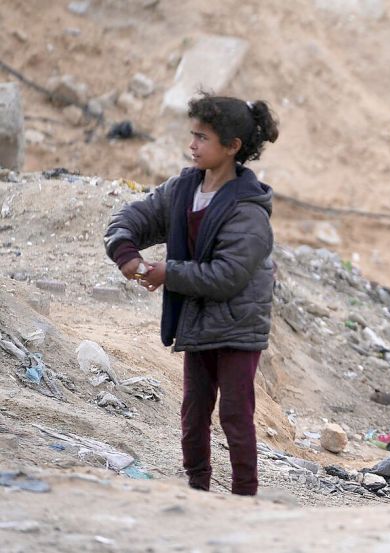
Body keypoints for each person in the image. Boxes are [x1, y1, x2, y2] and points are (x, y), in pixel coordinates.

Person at [104, 94, 279, 496]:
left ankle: (244, 497)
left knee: (236, 415)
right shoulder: (183, 190)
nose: (193, 145)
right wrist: (126, 252)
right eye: (193, 135)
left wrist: (169, 273)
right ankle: (197, 489)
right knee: (193, 411)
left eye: (203, 138)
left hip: (238, 327)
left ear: (233, 147)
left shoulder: (248, 211)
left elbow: (228, 276)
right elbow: (132, 216)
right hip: (198, 321)